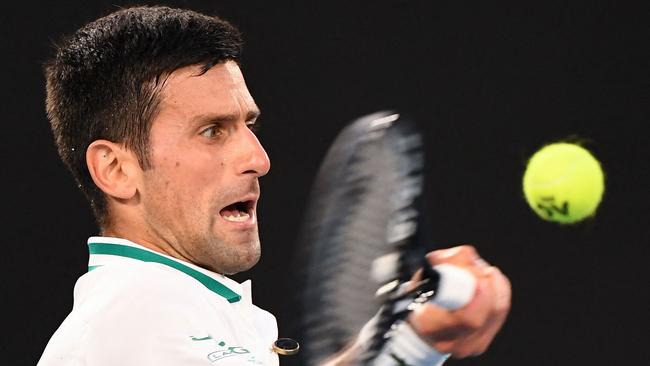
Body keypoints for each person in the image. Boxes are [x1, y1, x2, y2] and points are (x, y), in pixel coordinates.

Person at [38, 5, 511, 366]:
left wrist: (416, 340)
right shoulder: (130, 324)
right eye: (212, 131)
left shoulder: (185, 314)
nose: (258, 160)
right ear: (116, 169)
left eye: (249, 126)